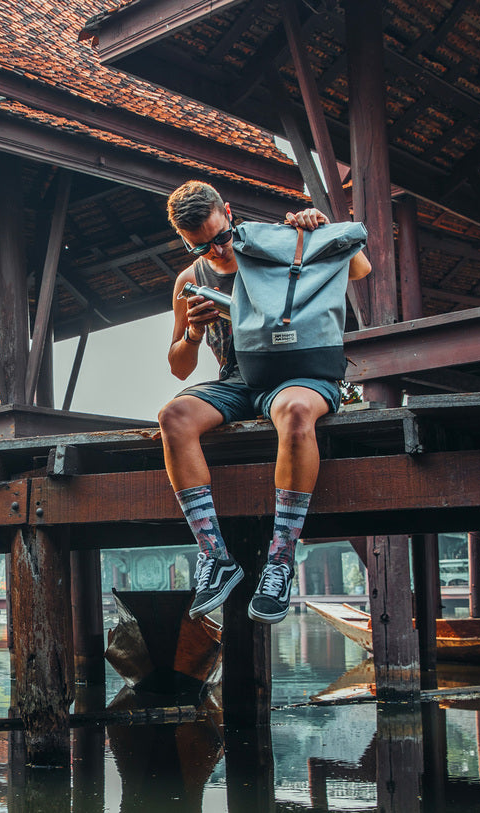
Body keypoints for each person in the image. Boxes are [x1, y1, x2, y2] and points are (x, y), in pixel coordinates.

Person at [159, 181, 371, 622]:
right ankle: (215, 558)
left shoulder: (283, 244)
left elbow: (360, 268)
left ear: (229, 212)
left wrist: (318, 231)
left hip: (299, 372)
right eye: (201, 246)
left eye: (220, 237)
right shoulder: (191, 278)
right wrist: (194, 333)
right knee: (173, 414)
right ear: (185, 241)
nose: (216, 251)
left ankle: (280, 561)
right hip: (237, 381)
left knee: (295, 413)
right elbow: (179, 367)